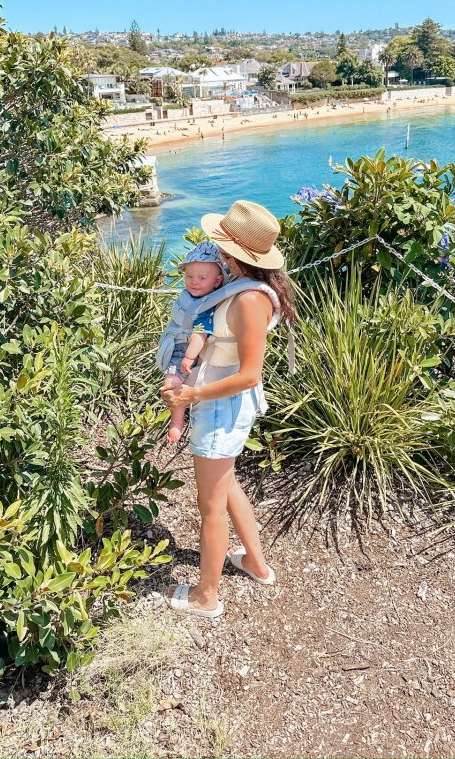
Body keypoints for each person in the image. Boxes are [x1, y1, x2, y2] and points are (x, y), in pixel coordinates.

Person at [161, 200, 296, 618]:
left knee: (210, 508)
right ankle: (255, 563)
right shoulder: (240, 289)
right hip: (223, 404)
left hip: (221, 407)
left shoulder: (248, 301)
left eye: (221, 245)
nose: (216, 250)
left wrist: (189, 398)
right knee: (228, 484)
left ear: (234, 254)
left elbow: (251, 374)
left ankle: (207, 596)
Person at [160, 242, 228, 443]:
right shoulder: (190, 296)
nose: (194, 282)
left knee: (171, 385)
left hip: (185, 353)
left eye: (201, 278)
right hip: (176, 344)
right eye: (189, 276)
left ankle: (177, 423)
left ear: (216, 282)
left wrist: (189, 358)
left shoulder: (206, 306)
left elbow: (200, 334)